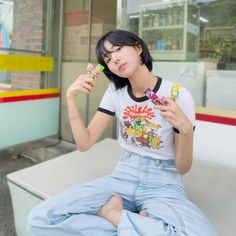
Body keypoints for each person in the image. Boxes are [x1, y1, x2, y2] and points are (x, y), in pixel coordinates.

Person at [27, 30, 217, 236]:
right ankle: (138, 226)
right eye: (108, 58)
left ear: (138, 48)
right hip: (123, 175)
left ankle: (115, 216)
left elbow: (183, 167)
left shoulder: (177, 94)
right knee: (40, 219)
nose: (115, 58)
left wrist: (186, 130)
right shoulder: (115, 92)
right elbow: (84, 143)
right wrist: (71, 97)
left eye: (118, 49)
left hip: (163, 181)